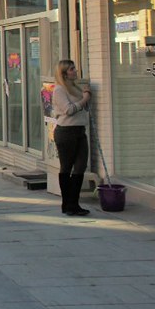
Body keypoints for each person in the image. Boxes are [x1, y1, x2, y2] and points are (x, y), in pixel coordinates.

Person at [52, 60, 91, 216]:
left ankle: (74, 203)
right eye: (71, 69)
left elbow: (83, 107)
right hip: (66, 132)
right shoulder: (59, 90)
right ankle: (66, 203)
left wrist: (86, 96)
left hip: (80, 131)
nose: (75, 71)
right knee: (66, 167)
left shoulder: (75, 87)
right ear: (64, 73)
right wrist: (85, 99)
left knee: (80, 166)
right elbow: (68, 110)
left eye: (74, 68)